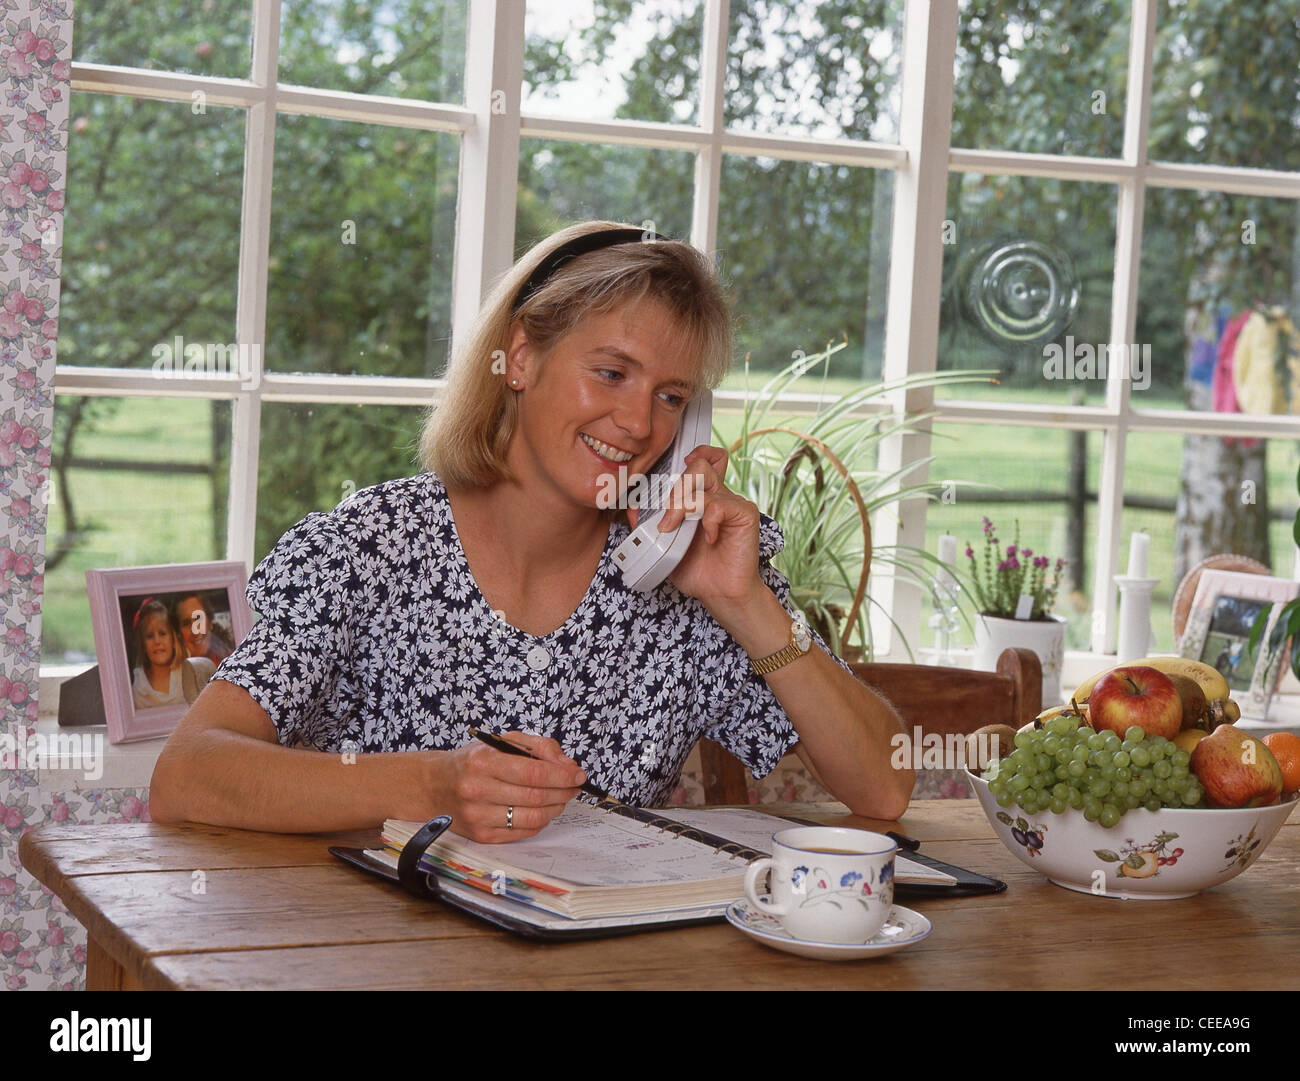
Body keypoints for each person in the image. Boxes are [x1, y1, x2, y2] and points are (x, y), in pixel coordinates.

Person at [149, 221, 913, 839]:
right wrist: (435, 781)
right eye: (611, 373)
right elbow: (186, 774)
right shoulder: (366, 549)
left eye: (673, 396)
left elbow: (883, 786)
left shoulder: (691, 579)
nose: (639, 422)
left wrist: (746, 603)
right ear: (519, 357)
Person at [130, 598, 217, 710]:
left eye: (162, 634)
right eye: (149, 636)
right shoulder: (138, 686)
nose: (157, 641)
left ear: (173, 639)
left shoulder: (187, 674)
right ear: (143, 644)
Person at [173, 592, 234, 666]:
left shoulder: (233, 661)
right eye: (186, 623)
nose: (195, 631)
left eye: (199, 618)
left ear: (210, 622)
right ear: (179, 632)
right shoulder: (175, 671)